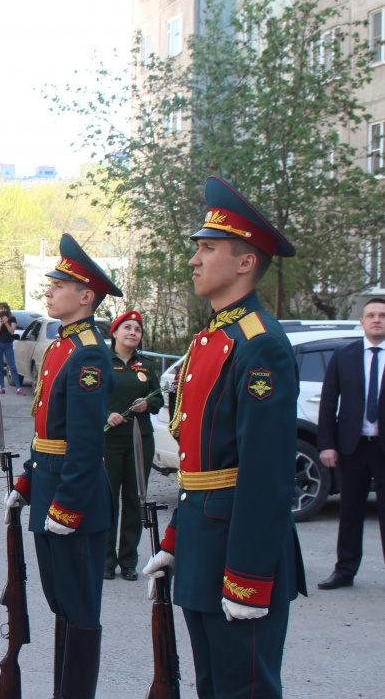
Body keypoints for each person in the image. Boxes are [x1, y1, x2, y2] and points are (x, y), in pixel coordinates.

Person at [143, 175, 305, 699]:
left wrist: (249, 576)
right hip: (204, 540)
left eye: (207, 249)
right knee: (212, 686)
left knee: (245, 689)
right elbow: (200, 463)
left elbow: (266, 473)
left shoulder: (261, 345)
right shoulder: (216, 335)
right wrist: (176, 540)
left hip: (240, 554)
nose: (193, 260)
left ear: (244, 262)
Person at [4, 233, 121, 699]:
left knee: (79, 609)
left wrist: (66, 505)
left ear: (85, 296)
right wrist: (29, 480)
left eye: (57, 285)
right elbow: (49, 432)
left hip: (74, 497)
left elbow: (86, 441)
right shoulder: (61, 346)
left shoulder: (89, 351)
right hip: (50, 488)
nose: (47, 292)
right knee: (61, 604)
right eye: (49, 284)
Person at [315, 297, 385, 590]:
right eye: (371, 315)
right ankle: (344, 571)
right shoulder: (344, 355)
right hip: (352, 448)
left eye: (382, 315)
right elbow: (329, 402)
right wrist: (327, 444)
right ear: (362, 322)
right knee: (350, 511)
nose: (377, 320)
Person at [102, 310, 162, 581]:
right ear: (114, 332)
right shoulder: (102, 361)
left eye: (137, 330)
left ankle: (128, 560)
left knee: (135, 500)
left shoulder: (146, 366)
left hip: (140, 440)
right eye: (127, 327)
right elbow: (88, 396)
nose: (132, 333)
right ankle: (105, 559)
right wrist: (106, 413)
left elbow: (159, 399)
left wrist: (147, 404)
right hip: (109, 439)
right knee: (108, 499)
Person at [0, 302, 24, 395]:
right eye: (1, 309)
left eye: (5, 309)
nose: (3, 311)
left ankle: (18, 388)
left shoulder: (12, 319)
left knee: (12, 366)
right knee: (0, 367)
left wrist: (6, 323)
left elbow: (11, 332)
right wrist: (1, 324)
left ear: (8, 309)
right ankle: (2, 387)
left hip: (8, 345)